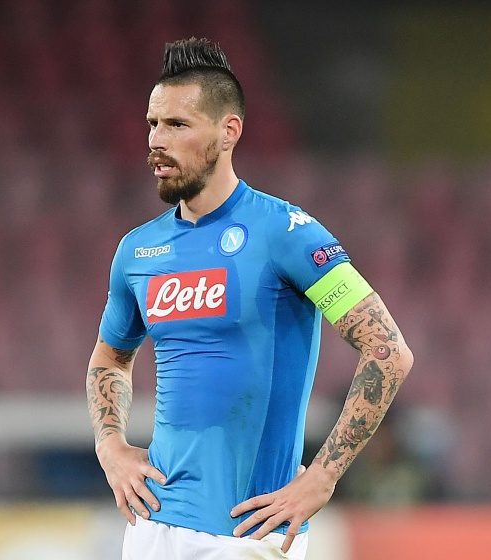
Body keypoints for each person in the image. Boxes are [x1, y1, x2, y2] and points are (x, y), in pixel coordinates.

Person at [85, 37, 414, 560]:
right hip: (151, 527)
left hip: (248, 534)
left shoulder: (287, 233)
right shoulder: (137, 251)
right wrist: (110, 447)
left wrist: (323, 476)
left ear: (229, 131)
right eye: (153, 123)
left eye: (177, 125)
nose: (156, 141)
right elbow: (110, 359)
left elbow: (388, 351)